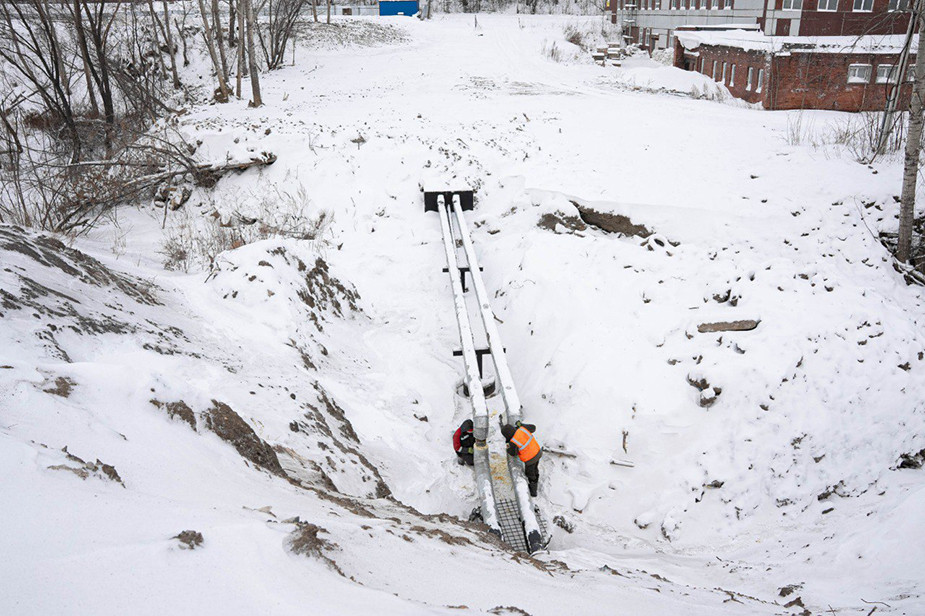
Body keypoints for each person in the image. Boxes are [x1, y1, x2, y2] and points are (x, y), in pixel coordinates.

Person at [501, 421, 542, 497]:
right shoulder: (522, 429)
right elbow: (533, 427)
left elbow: (513, 453)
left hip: (530, 458)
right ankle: (536, 478)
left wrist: (508, 443)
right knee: (535, 468)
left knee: (530, 473)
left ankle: (533, 491)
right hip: (537, 451)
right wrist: (522, 425)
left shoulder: (513, 442)